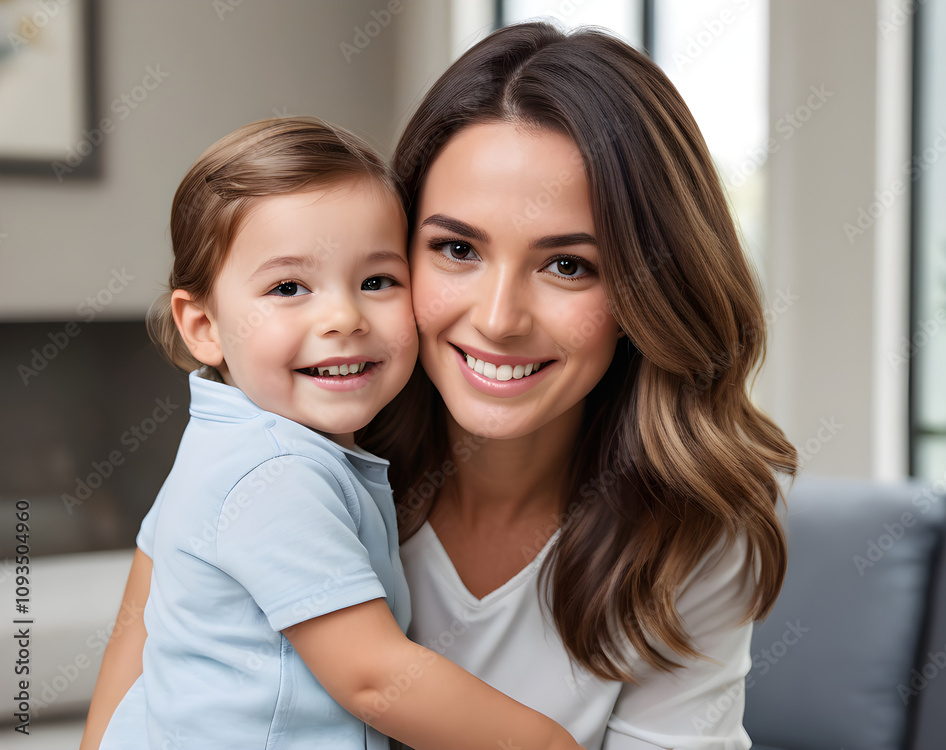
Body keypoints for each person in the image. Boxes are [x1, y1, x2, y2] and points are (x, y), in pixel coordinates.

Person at [86, 22, 797, 750]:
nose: (498, 320)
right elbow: (123, 710)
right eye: (457, 249)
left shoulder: (688, 529)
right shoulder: (275, 455)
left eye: (568, 265)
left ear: (649, 289)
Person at [86, 116, 584, 750]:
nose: (344, 317)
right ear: (203, 325)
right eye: (289, 287)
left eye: (376, 281)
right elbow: (374, 678)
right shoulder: (275, 475)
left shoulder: (223, 442)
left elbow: (138, 628)